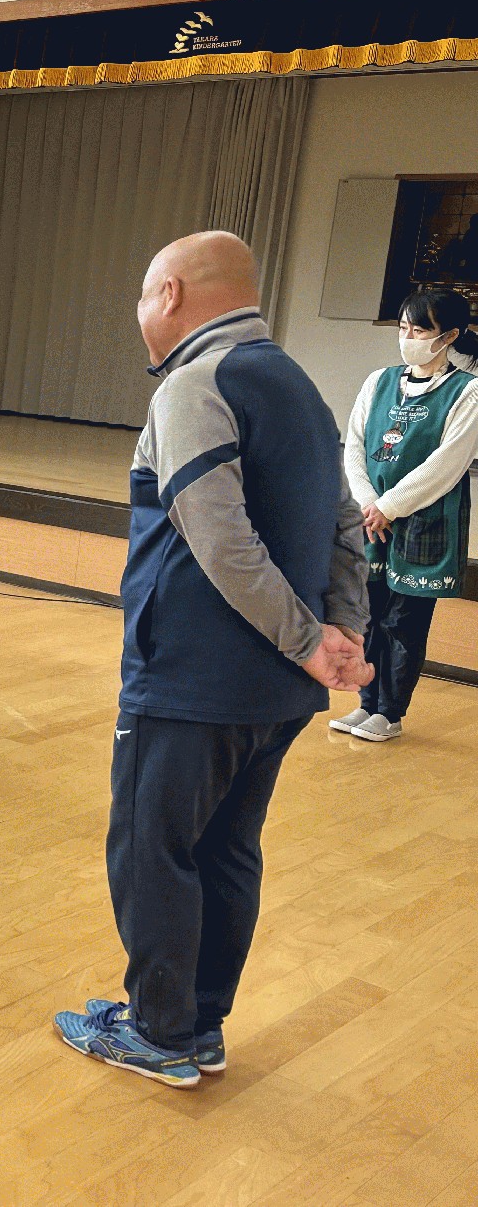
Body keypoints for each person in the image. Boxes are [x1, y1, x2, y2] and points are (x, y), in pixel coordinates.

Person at [56, 230, 372, 1089]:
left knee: (152, 848)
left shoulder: (195, 384)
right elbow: (347, 524)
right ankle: (200, 1023)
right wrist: (341, 631)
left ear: (169, 293)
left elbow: (220, 540)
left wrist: (311, 640)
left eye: (142, 293)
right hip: (276, 692)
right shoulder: (300, 386)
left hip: (191, 682)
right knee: (229, 846)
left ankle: (158, 1032)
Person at [336, 286, 478, 743]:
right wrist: (368, 503)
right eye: (403, 328)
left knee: (404, 620)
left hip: (425, 519)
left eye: (420, 329)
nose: (408, 337)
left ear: (448, 336)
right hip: (372, 517)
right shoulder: (378, 382)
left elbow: (446, 465)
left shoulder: (467, 392)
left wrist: (390, 506)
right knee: (369, 614)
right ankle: (367, 703)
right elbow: (355, 447)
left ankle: (390, 714)